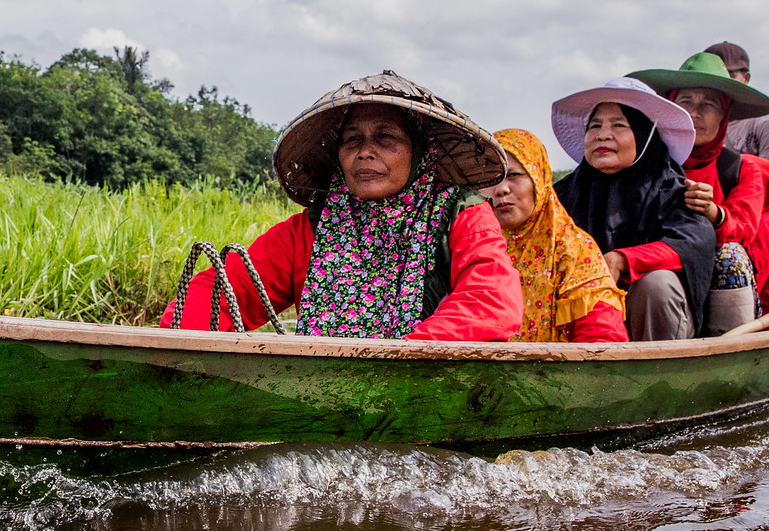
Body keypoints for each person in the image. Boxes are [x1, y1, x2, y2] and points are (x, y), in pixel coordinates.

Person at [164, 71, 523, 340]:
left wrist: (398, 356)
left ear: (420, 152)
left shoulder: (462, 214)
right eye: (352, 139)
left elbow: (491, 302)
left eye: (385, 137)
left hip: (424, 389)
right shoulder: (311, 229)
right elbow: (221, 293)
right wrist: (174, 350)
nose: (365, 151)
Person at [632, 52, 769, 330]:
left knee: (729, 257)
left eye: (708, 105)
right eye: (685, 101)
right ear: (670, 108)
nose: (695, 113)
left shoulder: (740, 170)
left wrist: (713, 214)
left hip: (722, 292)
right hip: (665, 285)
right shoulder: (645, 164)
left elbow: (743, 231)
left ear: (724, 116)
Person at [550, 77, 716, 341]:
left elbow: (692, 242)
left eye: (619, 125)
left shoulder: (673, 189)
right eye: (595, 126)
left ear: (643, 134)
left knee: (656, 284)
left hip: (657, 327)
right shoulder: (563, 194)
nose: (603, 134)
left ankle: (655, 374)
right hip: (586, 324)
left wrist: (622, 260)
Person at [486, 129, 628, 343]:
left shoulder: (575, 250)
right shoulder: (480, 247)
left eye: (514, 175)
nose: (501, 189)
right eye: (492, 178)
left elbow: (602, 343)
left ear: (539, 179)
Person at [705, 41, 769, 170]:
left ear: (746, 79)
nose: (720, 85)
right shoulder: (695, 120)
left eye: (729, 77)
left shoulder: (767, 121)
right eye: (713, 78)